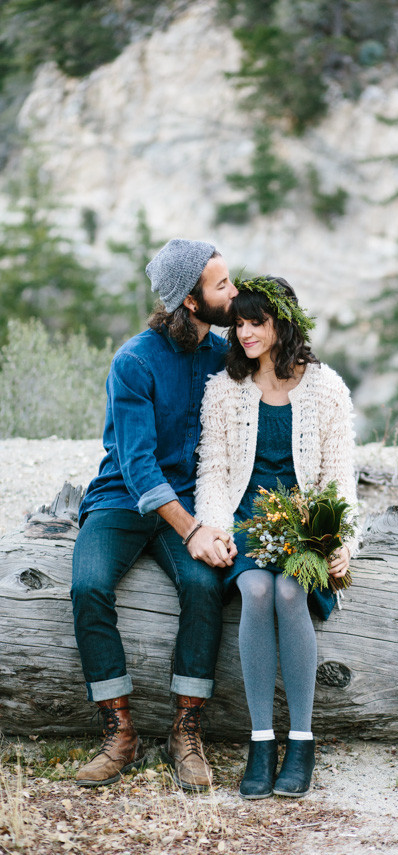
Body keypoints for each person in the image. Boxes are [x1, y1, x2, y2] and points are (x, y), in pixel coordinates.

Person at [70, 239, 238, 791]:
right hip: (123, 497)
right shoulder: (134, 360)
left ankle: (184, 732)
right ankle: (119, 732)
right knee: (88, 586)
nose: (232, 293)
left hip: (189, 497)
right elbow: (138, 465)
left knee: (204, 585)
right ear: (190, 300)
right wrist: (192, 531)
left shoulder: (221, 355)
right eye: (221, 285)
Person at [194, 276, 359, 799]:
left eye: (256, 322)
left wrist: (339, 541)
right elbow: (214, 473)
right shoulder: (223, 389)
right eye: (238, 322)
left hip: (303, 519)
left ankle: (303, 740)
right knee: (258, 590)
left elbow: (339, 477)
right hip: (245, 516)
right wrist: (216, 528)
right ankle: (261, 740)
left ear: (282, 322)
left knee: (290, 591)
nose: (244, 332)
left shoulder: (327, 387)